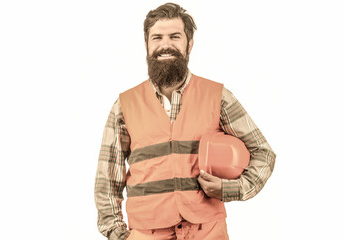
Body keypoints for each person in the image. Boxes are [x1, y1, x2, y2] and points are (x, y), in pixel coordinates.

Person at [94, 3, 276, 239]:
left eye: (174, 36)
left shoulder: (218, 97)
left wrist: (231, 189)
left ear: (189, 44)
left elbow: (263, 152)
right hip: (147, 233)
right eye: (156, 38)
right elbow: (107, 177)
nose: (165, 45)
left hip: (207, 231)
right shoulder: (124, 105)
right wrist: (117, 233)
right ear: (147, 46)